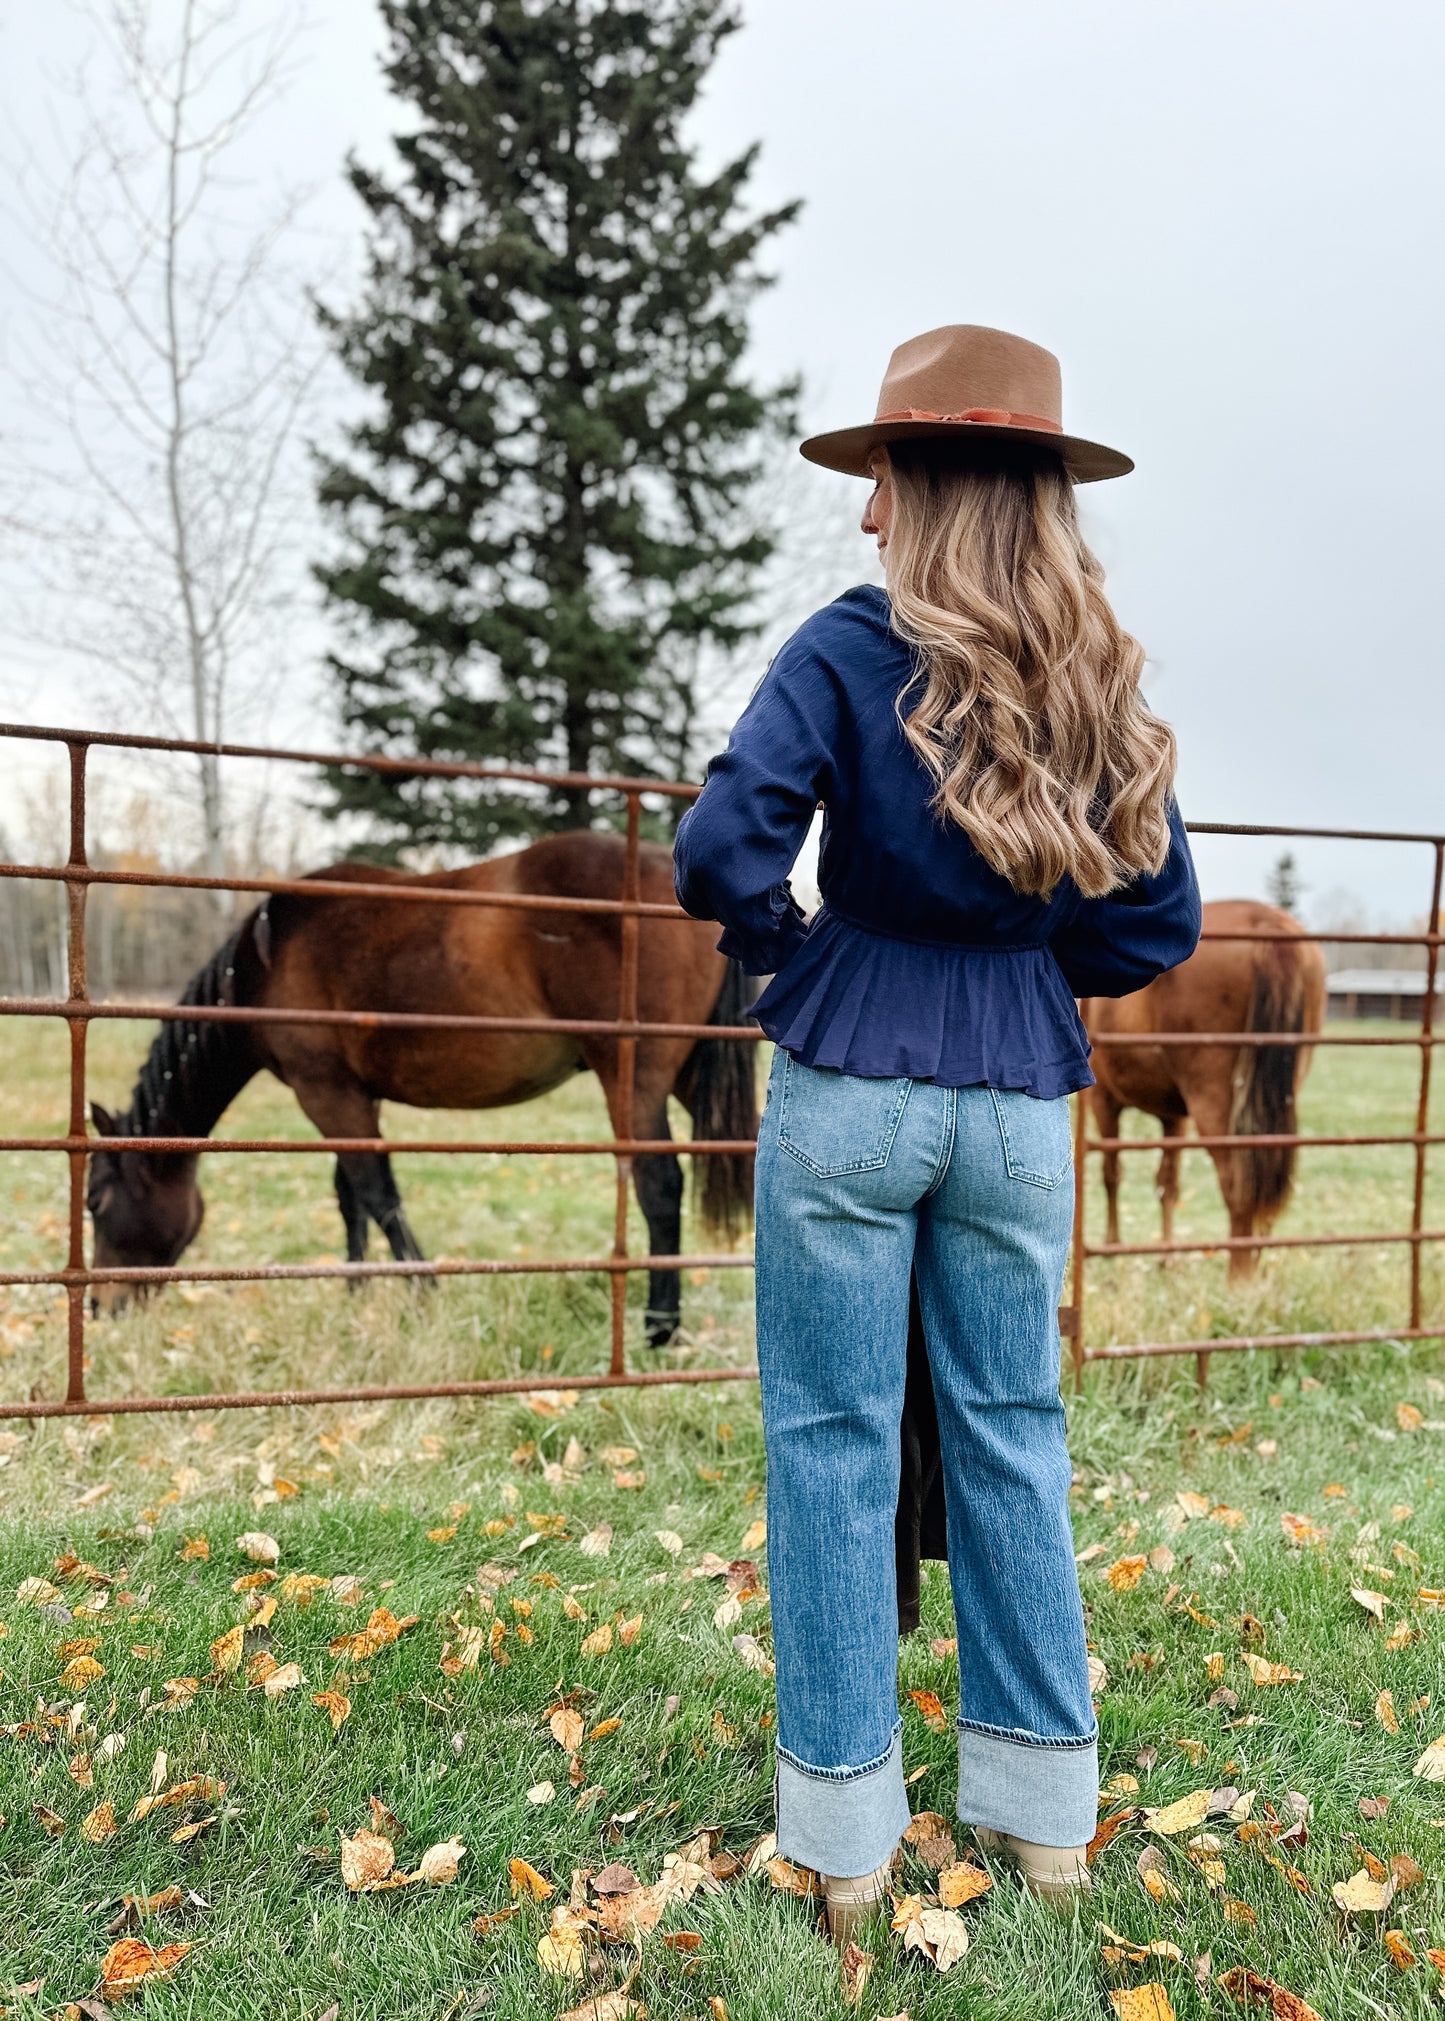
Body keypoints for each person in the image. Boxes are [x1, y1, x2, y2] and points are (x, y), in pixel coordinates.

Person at [673, 325, 1202, 1945]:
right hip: (1016, 1105)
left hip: (846, 1081)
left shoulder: (844, 647)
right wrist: (1026, 966)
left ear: (920, 486)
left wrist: (798, 941)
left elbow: (718, 852)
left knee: (830, 1445)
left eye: (878, 480)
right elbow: (1155, 920)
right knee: (1011, 1434)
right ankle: (1045, 1827)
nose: (861, 519)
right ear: (1039, 494)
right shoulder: (1094, 667)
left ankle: (845, 1846)